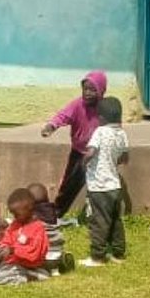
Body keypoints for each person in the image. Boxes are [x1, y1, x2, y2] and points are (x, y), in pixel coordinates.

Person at [40, 71, 106, 217]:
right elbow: (62, 116)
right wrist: (51, 126)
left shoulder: (104, 108)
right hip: (79, 153)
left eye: (93, 90)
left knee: (99, 186)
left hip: (99, 154)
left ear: (101, 91)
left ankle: (98, 215)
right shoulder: (77, 105)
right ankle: (57, 213)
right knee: (69, 185)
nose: (87, 93)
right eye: (85, 89)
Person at [79, 96, 129, 268]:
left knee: (99, 222)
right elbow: (125, 158)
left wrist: (84, 163)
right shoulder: (122, 133)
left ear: (101, 118)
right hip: (114, 185)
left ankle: (97, 256)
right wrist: (112, 161)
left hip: (99, 186)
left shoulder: (100, 132)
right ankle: (118, 253)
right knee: (115, 221)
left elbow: (91, 152)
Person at [0, 188, 49, 285]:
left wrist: (13, 250)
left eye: (17, 214)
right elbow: (7, 240)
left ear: (30, 208)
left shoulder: (38, 228)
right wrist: (1, 248)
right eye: (13, 214)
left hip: (31, 265)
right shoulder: (15, 225)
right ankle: (27, 275)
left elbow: (34, 252)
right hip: (15, 264)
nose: (15, 217)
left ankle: (28, 276)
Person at [28, 183, 73, 275]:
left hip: (41, 257)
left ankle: (42, 269)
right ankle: (56, 268)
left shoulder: (30, 216)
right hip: (57, 252)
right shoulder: (51, 212)